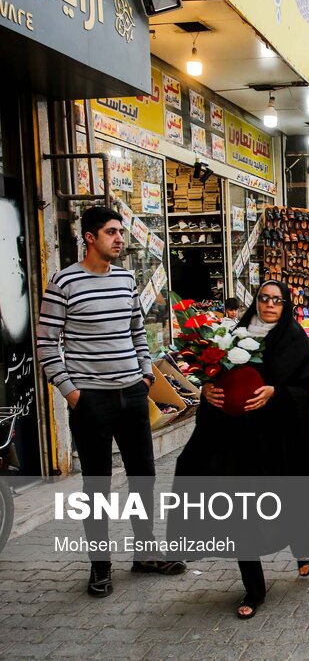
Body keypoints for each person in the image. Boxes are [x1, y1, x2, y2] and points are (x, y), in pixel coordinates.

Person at [36, 205, 185, 597]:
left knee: (143, 478)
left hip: (133, 395)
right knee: (97, 486)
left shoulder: (125, 280)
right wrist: (71, 392)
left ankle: (146, 553)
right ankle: (100, 566)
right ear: (89, 237)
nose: (120, 238)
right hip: (91, 401)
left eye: (120, 232)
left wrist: (146, 374)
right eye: (111, 232)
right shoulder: (64, 283)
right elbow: (46, 343)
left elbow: (138, 331)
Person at [170, 280, 309, 619]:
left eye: (277, 300)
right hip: (237, 441)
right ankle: (254, 588)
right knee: (241, 514)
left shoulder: (295, 341)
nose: (269, 305)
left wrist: (276, 393)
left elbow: (307, 390)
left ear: (286, 305)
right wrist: (208, 392)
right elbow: (216, 376)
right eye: (264, 298)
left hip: (279, 441)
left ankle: (302, 545)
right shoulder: (233, 335)